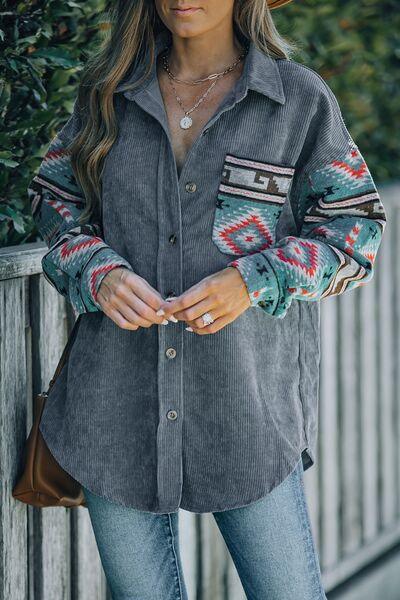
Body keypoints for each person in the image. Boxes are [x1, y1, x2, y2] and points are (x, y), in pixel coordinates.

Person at [27, 0, 386, 598]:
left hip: (248, 416)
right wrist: (96, 269)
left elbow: (358, 230)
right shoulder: (108, 93)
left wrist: (255, 280)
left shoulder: (298, 101)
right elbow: (52, 198)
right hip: (112, 412)